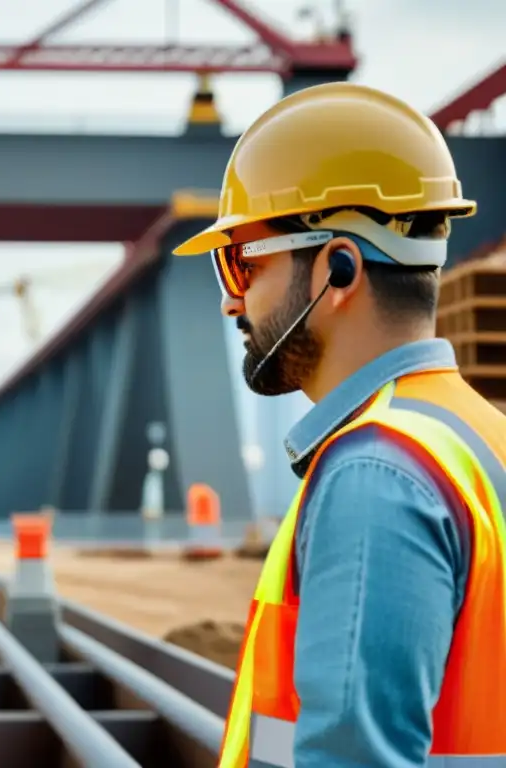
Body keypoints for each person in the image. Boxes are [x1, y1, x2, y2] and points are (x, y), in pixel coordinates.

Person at [172, 82, 506, 767]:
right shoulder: (479, 439)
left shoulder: (376, 475)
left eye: (243, 263)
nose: (234, 305)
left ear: (338, 268)